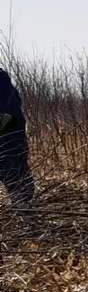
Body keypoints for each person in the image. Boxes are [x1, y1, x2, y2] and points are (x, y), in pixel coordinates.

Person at [0, 67, 35, 207]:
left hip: (9, 143)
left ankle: (26, 216)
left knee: (20, 187)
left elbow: (7, 115)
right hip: (12, 141)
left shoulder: (2, 82)